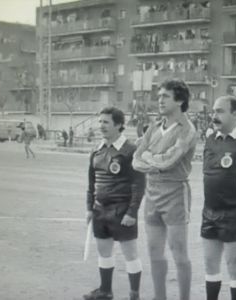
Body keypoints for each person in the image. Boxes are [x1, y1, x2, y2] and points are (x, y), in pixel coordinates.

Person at [132, 79, 197, 300]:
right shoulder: (153, 126)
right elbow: (135, 160)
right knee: (154, 252)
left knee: (179, 253)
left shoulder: (186, 129)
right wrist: (151, 160)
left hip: (175, 193)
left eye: (165, 96)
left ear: (179, 100)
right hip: (152, 192)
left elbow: (168, 161)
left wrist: (149, 158)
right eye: (159, 96)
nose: (159, 100)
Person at [84, 107, 145, 300]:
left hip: (121, 210)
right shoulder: (97, 150)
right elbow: (91, 183)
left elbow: (139, 184)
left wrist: (132, 212)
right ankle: (105, 291)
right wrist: (89, 208)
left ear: (118, 125)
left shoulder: (130, 150)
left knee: (130, 255)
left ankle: (134, 294)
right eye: (100, 121)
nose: (101, 126)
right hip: (100, 210)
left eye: (106, 122)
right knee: (104, 252)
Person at [201, 96, 236, 300]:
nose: (214, 116)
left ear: (235, 114)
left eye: (220, 111)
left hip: (235, 211)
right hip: (209, 210)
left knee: (234, 264)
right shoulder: (211, 139)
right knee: (210, 263)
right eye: (214, 111)